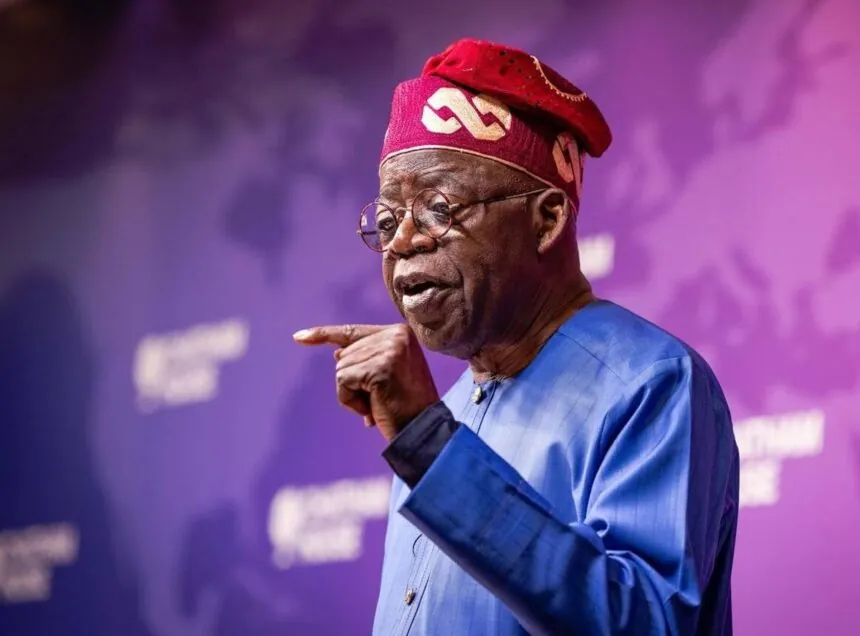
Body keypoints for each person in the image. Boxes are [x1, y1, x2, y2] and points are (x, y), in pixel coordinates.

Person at [293, 38, 739, 636]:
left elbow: (643, 625)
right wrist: (427, 439)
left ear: (547, 219)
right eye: (389, 219)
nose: (400, 242)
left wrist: (429, 446)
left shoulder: (651, 384)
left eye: (438, 209)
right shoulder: (448, 412)